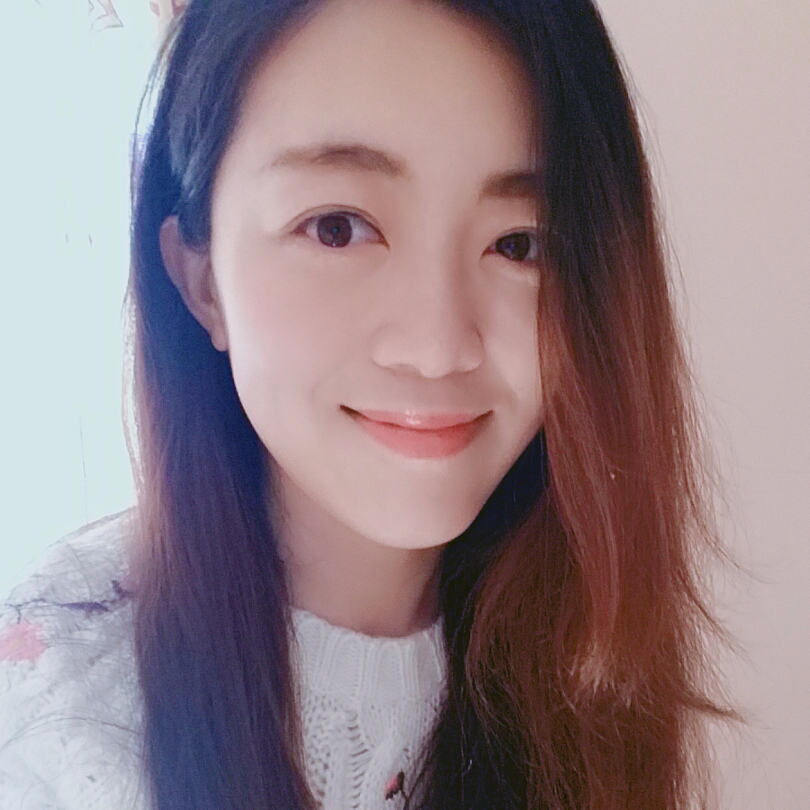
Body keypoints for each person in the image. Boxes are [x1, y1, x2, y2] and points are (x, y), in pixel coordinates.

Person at [0, 0, 734, 808]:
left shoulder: (586, 663)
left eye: (519, 244)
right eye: (337, 228)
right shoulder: (48, 720)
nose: (438, 346)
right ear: (201, 279)